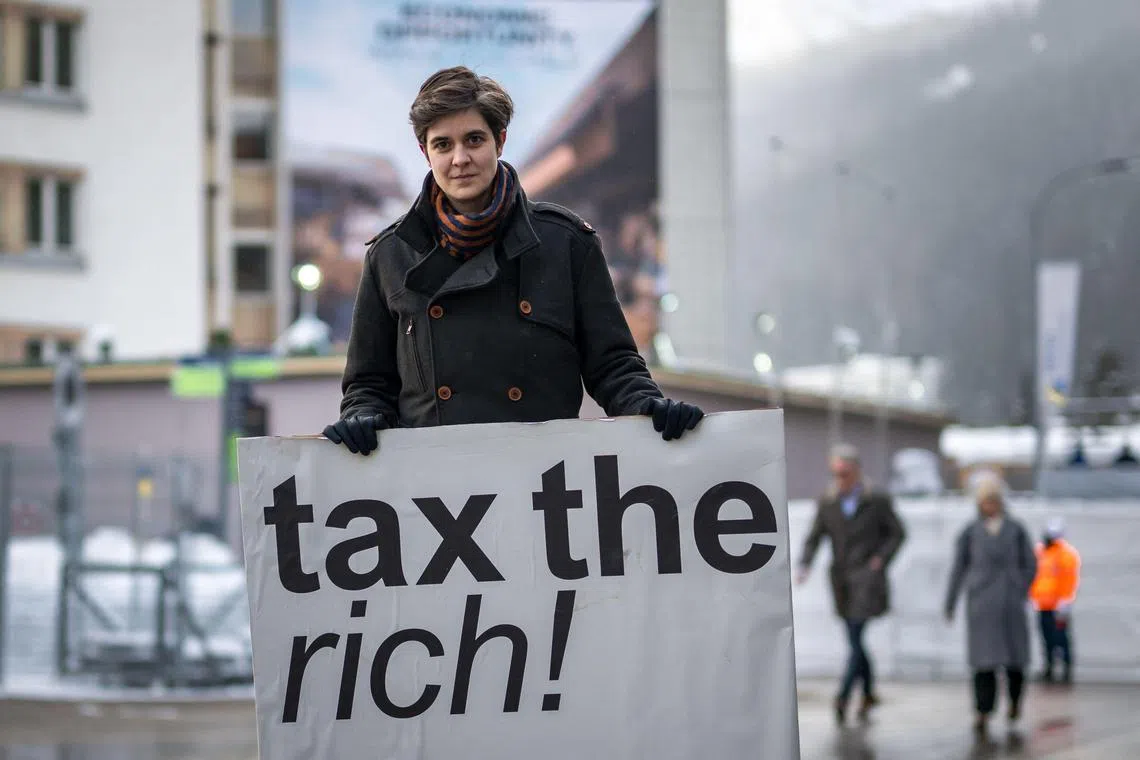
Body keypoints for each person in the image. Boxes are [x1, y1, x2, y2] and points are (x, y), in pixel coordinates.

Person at [321, 66, 703, 454]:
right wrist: (361, 418)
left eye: (474, 140)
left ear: (499, 141)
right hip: (433, 486)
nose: (460, 158)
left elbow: (613, 364)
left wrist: (649, 407)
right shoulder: (389, 255)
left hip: (543, 480)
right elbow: (369, 384)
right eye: (443, 145)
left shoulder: (565, 242)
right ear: (425, 152)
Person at [796, 443, 906, 725]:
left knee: (856, 634)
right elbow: (815, 535)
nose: (841, 478)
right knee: (855, 637)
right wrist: (805, 563)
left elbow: (896, 533)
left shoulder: (875, 499)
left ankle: (843, 695)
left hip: (867, 577)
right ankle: (868, 692)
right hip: (841, 578)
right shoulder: (828, 501)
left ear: (856, 470)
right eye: (837, 473)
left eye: (845, 472)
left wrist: (881, 558)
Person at [943, 473, 1037, 740]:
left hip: (1009, 603)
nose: (990, 506)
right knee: (984, 663)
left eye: (994, 501)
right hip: (982, 604)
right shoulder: (970, 533)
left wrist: (1020, 585)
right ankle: (983, 711)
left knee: (1015, 660)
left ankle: (1015, 702)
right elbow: (958, 569)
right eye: (986, 501)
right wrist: (951, 601)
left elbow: (1030, 563)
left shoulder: (1016, 530)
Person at [1029, 517, 1081, 684]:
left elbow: (1069, 579)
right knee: (1046, 638)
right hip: (1042, 604)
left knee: (1061, 638)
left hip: (1058, 606)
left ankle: (1066, 669)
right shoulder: (1040, 552)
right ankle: (1049, 668)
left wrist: (1065, 601)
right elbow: (1033, 576)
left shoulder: (1066, 554)